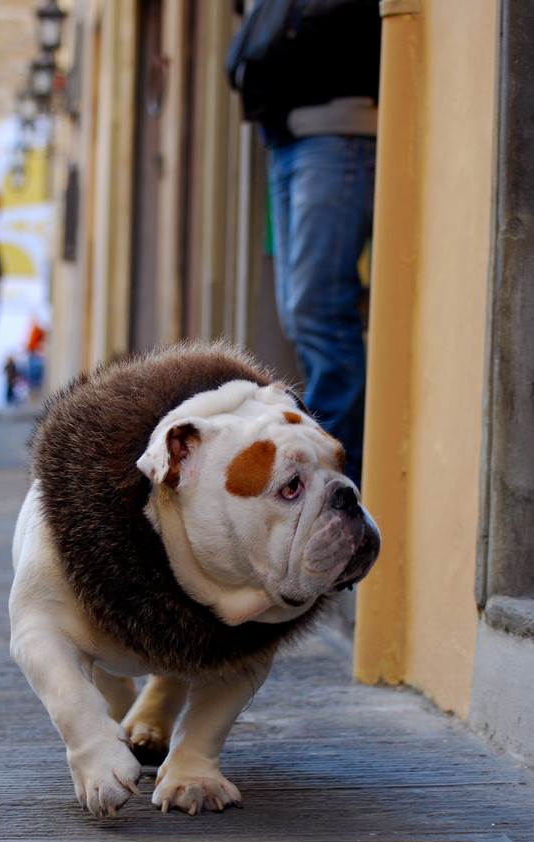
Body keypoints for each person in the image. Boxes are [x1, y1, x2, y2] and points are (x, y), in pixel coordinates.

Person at [227, 0, 381, 488]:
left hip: (338, 132)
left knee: (318, 309)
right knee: (300, 314)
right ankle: (330, 465)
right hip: (288, 137)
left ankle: (337, 478)